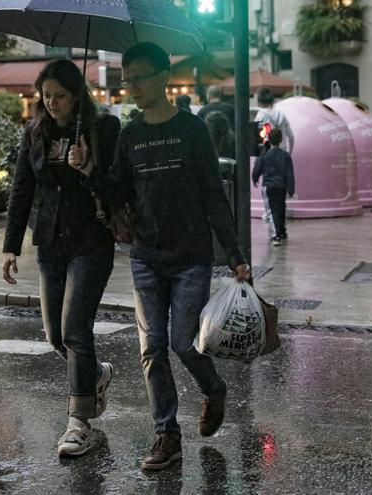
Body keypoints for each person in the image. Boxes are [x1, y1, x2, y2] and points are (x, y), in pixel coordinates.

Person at [72, 42, 250, 471]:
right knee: (151, 348)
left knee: (183, 342)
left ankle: (214, 388)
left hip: (190, 256)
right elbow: (117, 192)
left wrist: (234, 253)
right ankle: (166, 435)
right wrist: (88, 171)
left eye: (138, 77)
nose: (131, 85)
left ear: (163, 77)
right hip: (146, 256)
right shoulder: (130, 135)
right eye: (126, 78)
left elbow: (213, 194)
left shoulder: (192, 129)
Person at [2, 59, 121, 458]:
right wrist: (10, 246)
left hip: (91, 240)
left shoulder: (103, 129)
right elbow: (22, 188)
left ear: (77, 95)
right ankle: (96, 374)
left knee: (74, 330)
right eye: (46, 95)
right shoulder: (34, 132)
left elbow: (118, 189)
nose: (51, 103)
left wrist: (87, 168)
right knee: (56, 336)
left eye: (60, 96)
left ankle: (79, 422)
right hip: (50, 244)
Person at [252, 128, 295, 246]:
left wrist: (255, 179)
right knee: (281, 208)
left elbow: (257, 168)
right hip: (281, 186)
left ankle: (276, 236)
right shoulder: (285, 155)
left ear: (269, 140)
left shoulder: (265, 154)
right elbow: (290, 173)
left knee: (271, 210)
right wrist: (291, 189)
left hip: (269, 186)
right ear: (281, 140)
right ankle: (282, 231)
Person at [254, 86, 294, 153]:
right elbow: (291, 137)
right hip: (281, 154)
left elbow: (256, 139)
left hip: (266, 155)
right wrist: (289, 153)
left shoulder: (260, 116)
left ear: (259, 102)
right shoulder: (281, 115)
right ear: (272, 101)